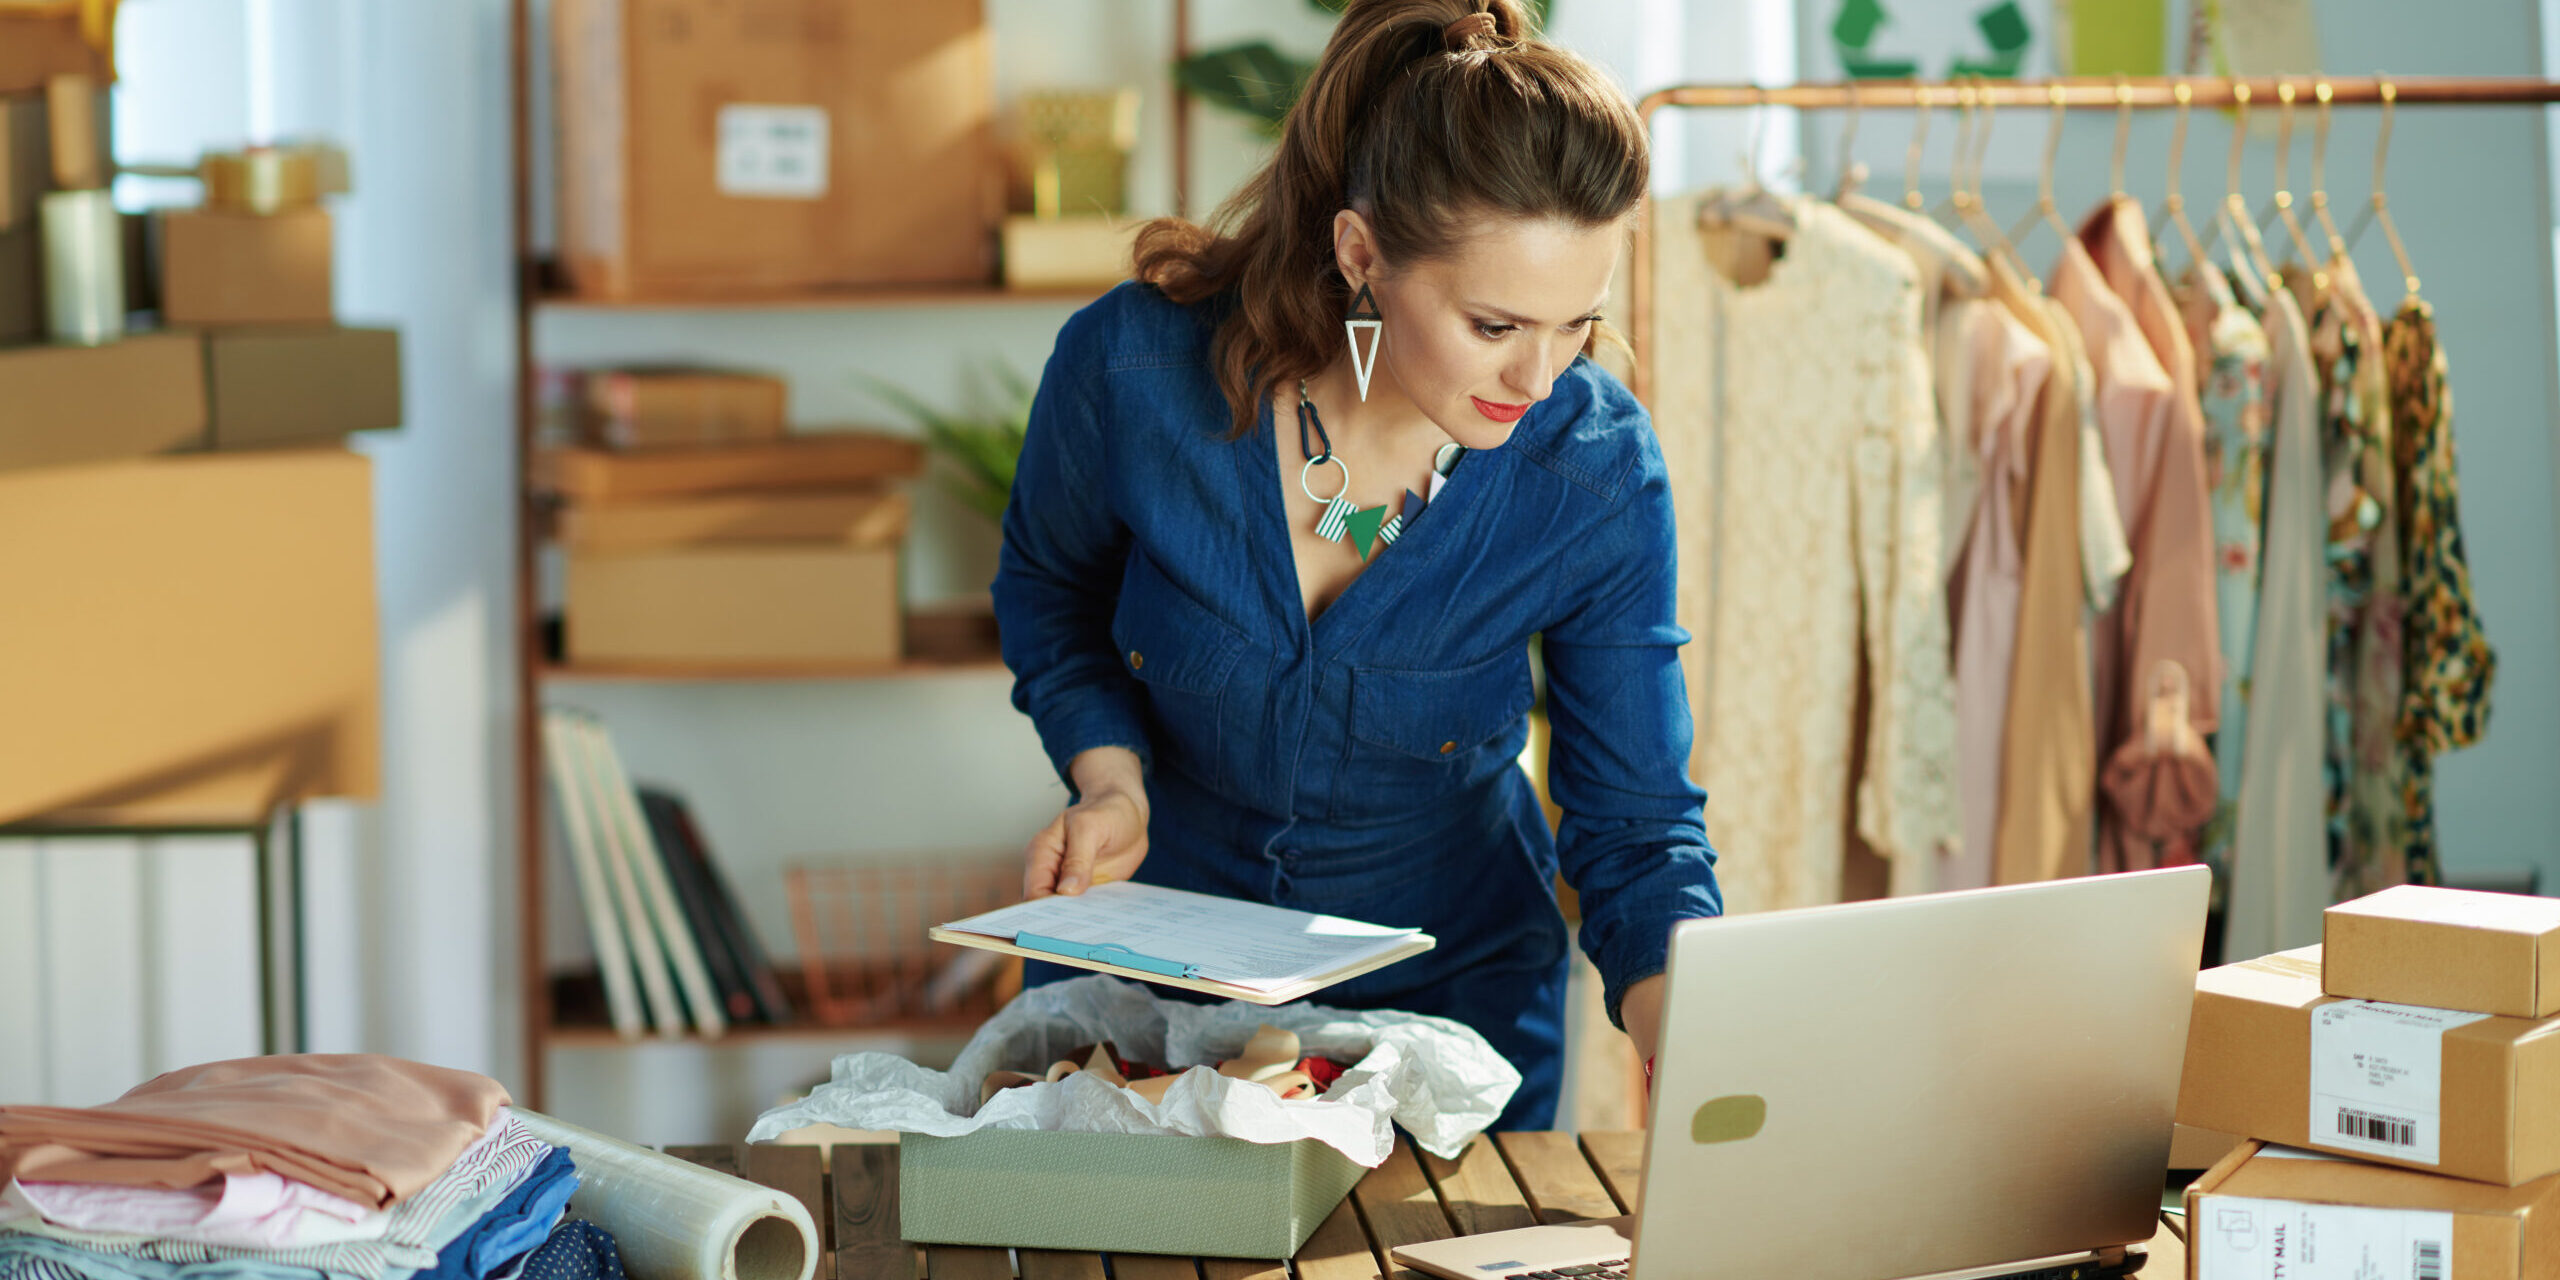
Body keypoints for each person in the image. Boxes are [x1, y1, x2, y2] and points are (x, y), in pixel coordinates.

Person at [991, 0, 1719, 1131]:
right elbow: (1049, 592)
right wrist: (1110, 780)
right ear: (1360, 252)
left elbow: (1635, 820)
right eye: (1495, 326)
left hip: (1450, 1018)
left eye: (1577, 323)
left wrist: (1692, 1030)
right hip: (1142, 987)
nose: (1539, 379)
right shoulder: (1134, 372)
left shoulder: (1595, 470)